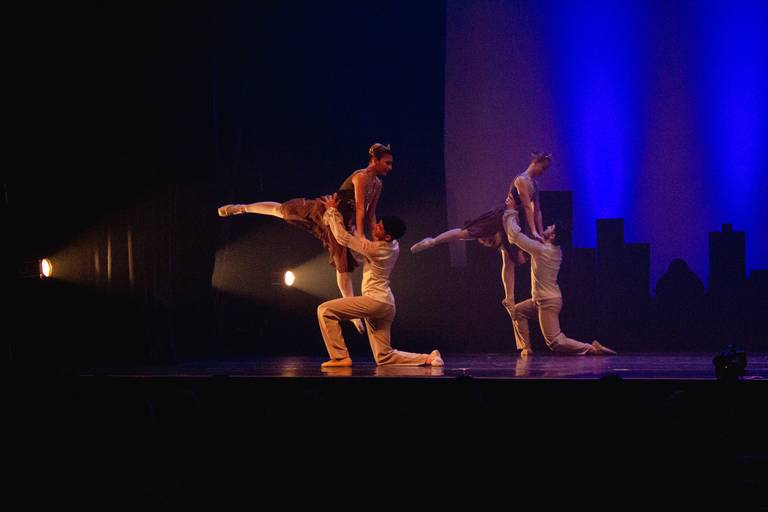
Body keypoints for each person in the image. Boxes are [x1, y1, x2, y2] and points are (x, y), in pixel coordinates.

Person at [217, 143, 392, 333]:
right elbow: (359, 208)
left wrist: (370, 238)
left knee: (343, 266)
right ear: (374, 160)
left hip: (342, 224)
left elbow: (370, 214)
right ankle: (242, 208)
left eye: (390, 164)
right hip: (328, 212)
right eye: (387, 163)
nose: (390, 167)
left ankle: (352, 314)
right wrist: (361, 236)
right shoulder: (361, 177)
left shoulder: (378, 185)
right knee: (283, 210)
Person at [316, 193, 443, 368]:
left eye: (380, 227)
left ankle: (340, 358)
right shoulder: (394, 246)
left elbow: (343, 239)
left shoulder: (375, 249)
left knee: (325, 310)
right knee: (384, 357)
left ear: (388, 236)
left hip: (375, 301)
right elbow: (362, 243)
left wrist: (332, 211)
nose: (375, 227)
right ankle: (429, 358)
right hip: (385, 304)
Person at [504, 210, 617, 356]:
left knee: (555, 342)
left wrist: (510, 213)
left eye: (551, 227)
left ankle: (591, 348)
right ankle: (526, 347)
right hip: (540, 300)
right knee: (518, 311)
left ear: (553, 235)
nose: (548, 226)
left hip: (547, 301)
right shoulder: (555, 249)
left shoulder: (542, 250)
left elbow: (514, 236)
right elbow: (536, 237)